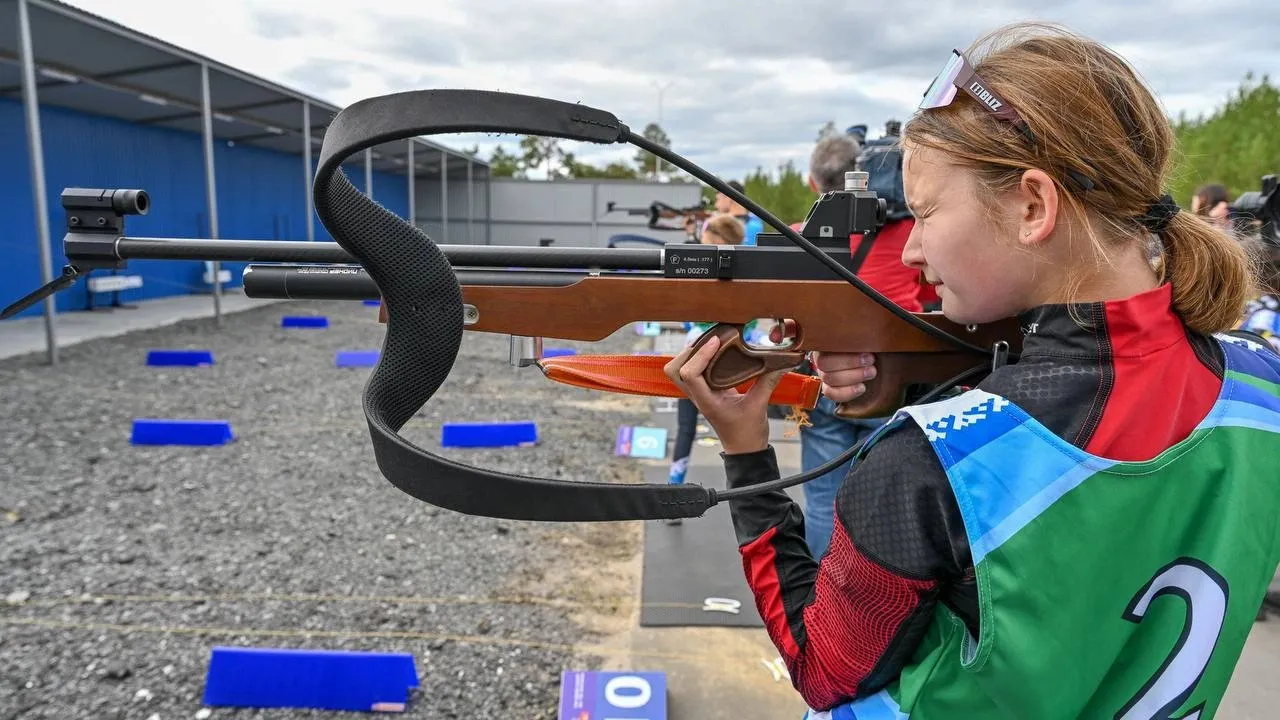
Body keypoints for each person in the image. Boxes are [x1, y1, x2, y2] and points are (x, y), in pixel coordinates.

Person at [665, 21, 1280, 718]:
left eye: (923, 214)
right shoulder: (1262, 389)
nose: (911, 251)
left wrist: (747, 455)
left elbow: (822, 666)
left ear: (1032, 205)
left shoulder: (934, 462)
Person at [795, 132, 930, 559]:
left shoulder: (801, 236)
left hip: (821, 379)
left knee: (821, 501)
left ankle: (819, 603)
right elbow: (927, 303)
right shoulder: (911, 236)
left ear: (814, 184)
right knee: (890, 505)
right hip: (894, 378)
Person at [664, 213, 747, 525]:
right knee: (737, 434)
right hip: (734, 363)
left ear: (718, 240)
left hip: (697, 359)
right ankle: (749, 497)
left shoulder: (702, 278)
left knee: (686, 430)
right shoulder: (749, 279)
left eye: (706, 236)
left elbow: (689, 316)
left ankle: (674, 499)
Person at [716, 180, 765, 246]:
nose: (716, 205)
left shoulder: (721, 224)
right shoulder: (757, 222)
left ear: (729, 197)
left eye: (718, 199)